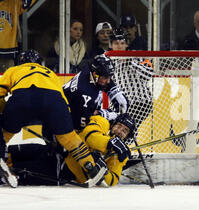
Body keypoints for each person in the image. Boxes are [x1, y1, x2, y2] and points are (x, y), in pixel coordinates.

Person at [0, 50, 106, 188]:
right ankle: (91, 168)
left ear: (20, 62)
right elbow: (64, 103)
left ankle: (1, 156)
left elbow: (1, 92)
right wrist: (64, 126)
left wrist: (5, 111)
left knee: (4, 134)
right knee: (70, 139)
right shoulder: (50, 73)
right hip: (54, 102)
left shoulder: (14, 70)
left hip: (23, 97)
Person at [2, 113, 136, 187]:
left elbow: (112, 180)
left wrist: (103, 169)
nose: (120, 131)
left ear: (127, 136)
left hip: (62, 172)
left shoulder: (121, 154)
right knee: (11, 152)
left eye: (125, 131)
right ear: (113, 124)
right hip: (55, 151)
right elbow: (90, 137)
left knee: (18, 171)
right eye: (119, 126)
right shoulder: (102, 122)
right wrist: (110, 143)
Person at [62, 53, 128, 132]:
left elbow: (102, 71)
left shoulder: (90, 69)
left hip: (75, 109)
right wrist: (107, 115)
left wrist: (115, 91)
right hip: (66, 124)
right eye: (105, 78)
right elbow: (82, 128)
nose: (108, 81)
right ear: (94, 74)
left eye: (109, 77)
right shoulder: (85, 94)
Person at [0, 0, 37, 73]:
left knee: (9, 78)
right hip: (9, 52)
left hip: (8, 53)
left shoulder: (14, 3)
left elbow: (27, 3)